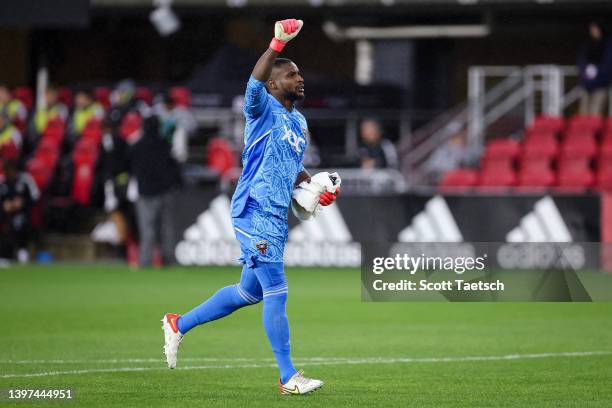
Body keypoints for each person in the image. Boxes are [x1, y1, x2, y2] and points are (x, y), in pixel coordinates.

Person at [161, 19, 339, 395]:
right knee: (277, 290)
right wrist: (276, 44)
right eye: (291, 75)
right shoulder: (261, 108)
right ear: (274, 85)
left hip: (277, 213)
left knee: (250, 293)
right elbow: (253, 82)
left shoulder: (300, 122)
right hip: (253, 208)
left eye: (299, 73)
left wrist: (314, 187)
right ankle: (288, 376)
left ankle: (178, 324)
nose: (300, 78)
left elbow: (292, 170)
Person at [128, 115, 180, 267]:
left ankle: (145, 262)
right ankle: (169, 261)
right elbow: (174, 168)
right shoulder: (165, 144)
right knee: (167, 229)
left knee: (147, 230)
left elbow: (129, 166)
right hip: (165, 192)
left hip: (145, 193)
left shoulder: (136, 146)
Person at [0, 159, 40, 262]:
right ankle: (5, 254)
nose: (8, 174)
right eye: (6, 171)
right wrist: (5, 205)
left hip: (24, 213)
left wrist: (23, 202)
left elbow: (35, 196)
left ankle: (23, 251)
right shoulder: (2, 181)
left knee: (21, 223)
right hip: (5, 214)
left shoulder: (26, 179)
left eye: (10, 171)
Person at [578, 21, 612, 116]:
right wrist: (586, 72)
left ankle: (593, 131)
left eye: (595, 29)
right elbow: (582, 61)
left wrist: (597, 72)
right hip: (587, 83)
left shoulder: (608, 44)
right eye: (591, 29)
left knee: (595, 113)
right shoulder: (587, 44)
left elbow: (608, 63)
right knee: (583, 113)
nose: (593, 31)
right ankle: (583, 131)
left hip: (601, 83)